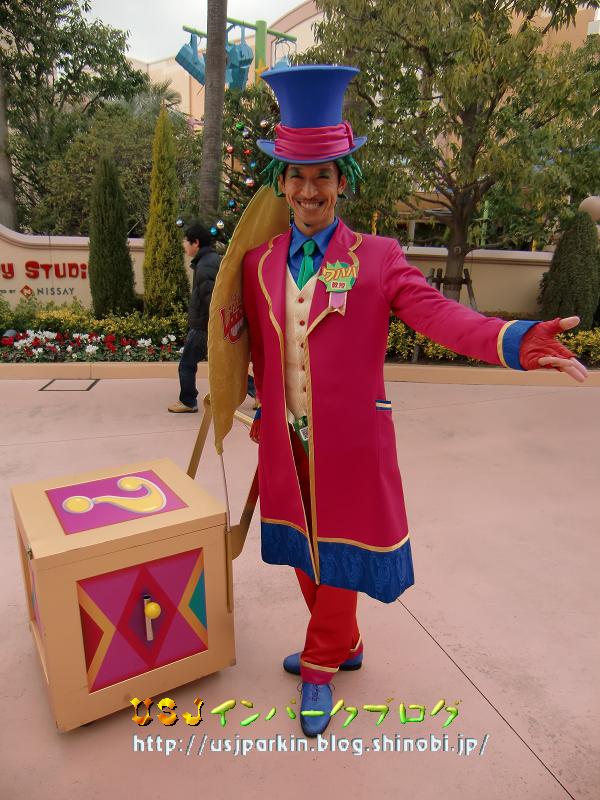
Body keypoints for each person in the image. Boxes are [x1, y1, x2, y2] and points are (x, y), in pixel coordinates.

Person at [239, 64, 588, 737]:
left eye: (323, 175)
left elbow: (438, 316)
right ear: (281, 182)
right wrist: (250, 399)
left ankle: (321, 663)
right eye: (298, 176)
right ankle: (345, 641)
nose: (309, 190)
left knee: (339, 548)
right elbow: (257, 347)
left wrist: (512, 340)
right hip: (285, 438)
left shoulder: (377, 257)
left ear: (343, 181)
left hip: (349, 442)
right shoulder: (259, 263)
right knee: (302, 548)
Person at [168, 222, 221, 413]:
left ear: (196, 243)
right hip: (209, 325)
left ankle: (188, 401)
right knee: (223, 365)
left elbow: (211, 299)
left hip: (202, 326)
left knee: (187, 365)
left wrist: (210, 326)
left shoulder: (205, 265)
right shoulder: (212, 260)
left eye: (186, 241)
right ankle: (257, 394)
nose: (184, 245)